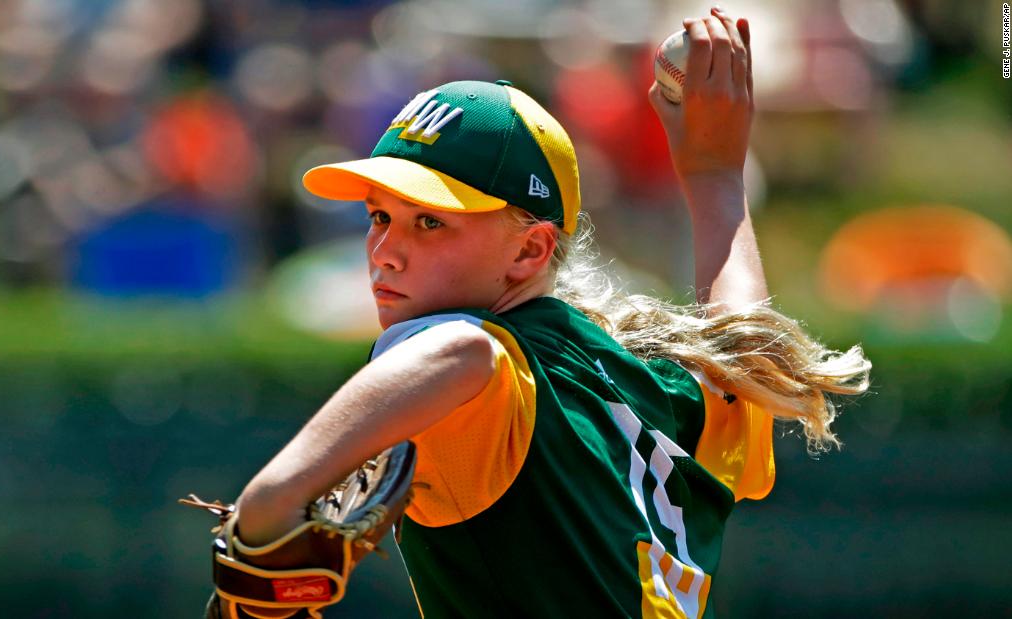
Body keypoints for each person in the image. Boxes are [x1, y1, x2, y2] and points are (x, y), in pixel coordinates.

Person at [233, 8, 871, 619]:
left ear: (530, 249)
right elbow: (745, 361)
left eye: (429, 222)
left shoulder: (482, 375)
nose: (384, 253)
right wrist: (715, 175)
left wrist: (271, 501)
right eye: (379, 216)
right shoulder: (657, 386)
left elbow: (459, 353)